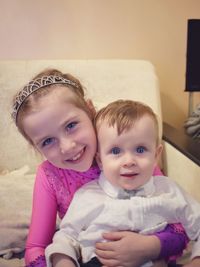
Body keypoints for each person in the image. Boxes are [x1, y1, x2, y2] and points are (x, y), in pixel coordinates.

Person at [12, 69, 188, 267]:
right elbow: (36, 247)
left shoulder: (127, 154)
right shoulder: (49, 175)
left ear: (90, 110)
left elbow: (179, 223)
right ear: (36, 147)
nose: (67, 147)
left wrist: (150, 246)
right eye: (47, 141)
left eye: (71, 125)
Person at [45, 100, 200, 267]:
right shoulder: (87, 196)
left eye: (140, 150)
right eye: (116, 151)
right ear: (100, 160)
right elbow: (66, 236)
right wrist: (64, 261)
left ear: (156, 155)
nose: (129, 161)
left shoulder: (168, 190)